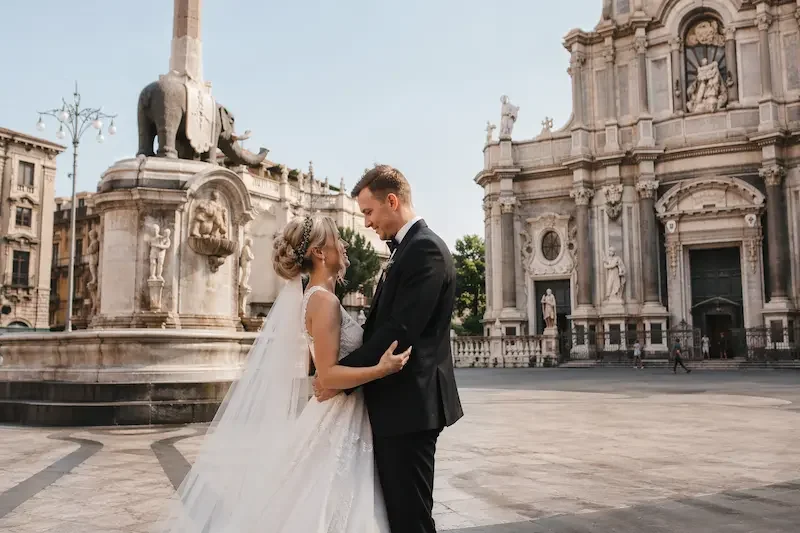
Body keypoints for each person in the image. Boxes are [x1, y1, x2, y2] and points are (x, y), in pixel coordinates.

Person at [158, 216, 408, 532]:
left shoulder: (316, 297)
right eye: (337, 240)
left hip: (339, 411)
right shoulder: (323, 301)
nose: (344, 245)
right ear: (319, 252)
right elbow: (328, 375)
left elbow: (318, 368)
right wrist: (381, 369)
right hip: (341, 415)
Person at [314, 165, 464, 533]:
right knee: (399, 513)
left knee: (410, 518)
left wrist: (338, 377)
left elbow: (400, 331)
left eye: (368, 211)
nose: (366, 223)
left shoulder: (425, 249)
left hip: (410, 405)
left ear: (392, 201)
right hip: (397, 404)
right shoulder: (408, 250)